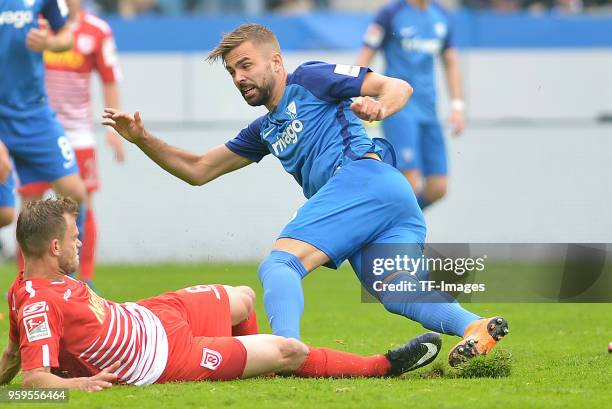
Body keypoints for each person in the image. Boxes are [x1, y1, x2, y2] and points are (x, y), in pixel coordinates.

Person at [102, 23, 508, 366]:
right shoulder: (263, 130)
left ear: (275, 62)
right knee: (398, 292)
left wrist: (380, 108)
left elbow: (397, 86)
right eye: (231, 72)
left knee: (280, 265)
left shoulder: (311, 78)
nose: (239, 77)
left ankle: (283, 354)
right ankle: (474, 325)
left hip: (363, 180)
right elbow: (198, 169)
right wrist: (142, 139)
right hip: (387, 199)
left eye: (245, 65)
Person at [0, 197, 442, 390]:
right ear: (54, 247)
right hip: (164, 358)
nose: (81, 243)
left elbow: (13, 357)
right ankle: (384, 366)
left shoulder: (23, 291)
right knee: (288, 349)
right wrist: (80, 384)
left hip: (153, 314)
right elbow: (33, 383)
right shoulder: (39, 301)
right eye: (75, 238)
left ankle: (252, 365)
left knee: (243, 297)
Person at [19, 0, 125, 289]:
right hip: (37, 130)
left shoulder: (97, 30)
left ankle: (84, 278)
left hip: (78, 134)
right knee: (29, 205)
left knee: (81, 203)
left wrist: (113, 127)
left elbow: (109, 78)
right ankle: (27, 280)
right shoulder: (33, 23)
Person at [356, 0, 465, 210]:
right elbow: (365, 56)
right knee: (410, 181)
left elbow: (450, 61)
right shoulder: (391, 13)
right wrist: (355, 94)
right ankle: (398, 235)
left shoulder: (440, 15)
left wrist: (457, 106)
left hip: (429, 110)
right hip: (398, 109)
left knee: (438, 186)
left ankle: (387, 225)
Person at [0, 0, 87, 248]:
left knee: (75, 192)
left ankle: (69, 278)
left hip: (34, 112)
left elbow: (67, 36)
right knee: (5, 215)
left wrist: (49, 43)